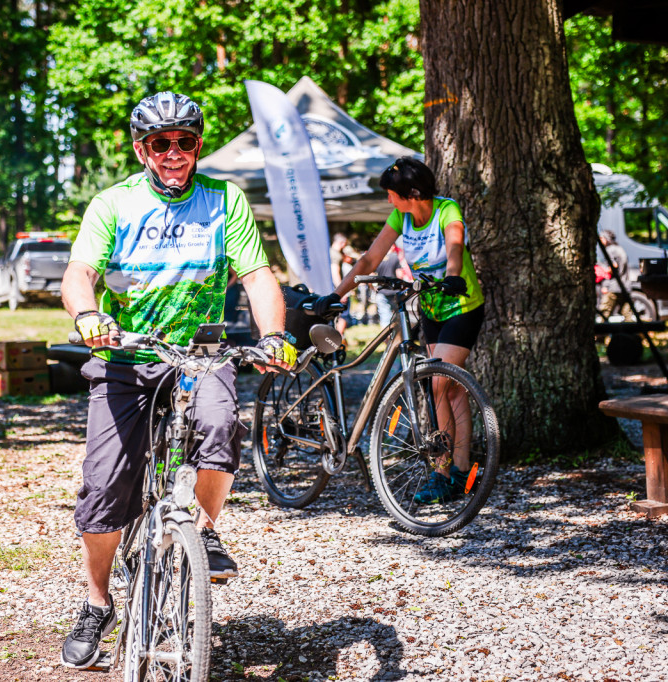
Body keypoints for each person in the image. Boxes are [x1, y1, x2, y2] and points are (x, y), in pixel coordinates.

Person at [58, 91, 297, 669]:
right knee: (106, 483)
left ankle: (205, 531)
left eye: (184, 142)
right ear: (142, 149)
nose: (172, 153)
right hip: (126, 355)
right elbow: (80, 272)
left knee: (220, 429)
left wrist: (274, 335)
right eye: (160, 143)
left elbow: (257, 276)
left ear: (196, 146)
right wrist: (88, 316)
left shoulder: (224, 200)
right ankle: (96, 602)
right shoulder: (113, 204)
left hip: (200, 351)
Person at [313, 156, 484, 504]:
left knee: (439, 382)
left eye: (393, 195)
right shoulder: (401, 216)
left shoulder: (445, 209)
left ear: (413, 193)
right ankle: (462, 472)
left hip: (462, 305)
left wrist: (453, 274)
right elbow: (369, 259)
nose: (389, 201)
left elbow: (455, 243)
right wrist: (335, 295)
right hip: (432, 308)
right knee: (450, 390)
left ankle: (442, 472)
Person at [597, 229, 630, 320]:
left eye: (601, 238)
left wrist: (603, 271)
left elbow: (613, 266)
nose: (600, 241)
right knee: (627, 313)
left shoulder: (610, 250)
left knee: (604, 312)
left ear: (607, 239)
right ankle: (635, 333)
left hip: (614, 287)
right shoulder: (619, 248)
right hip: (625, 286)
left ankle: (600, 334)